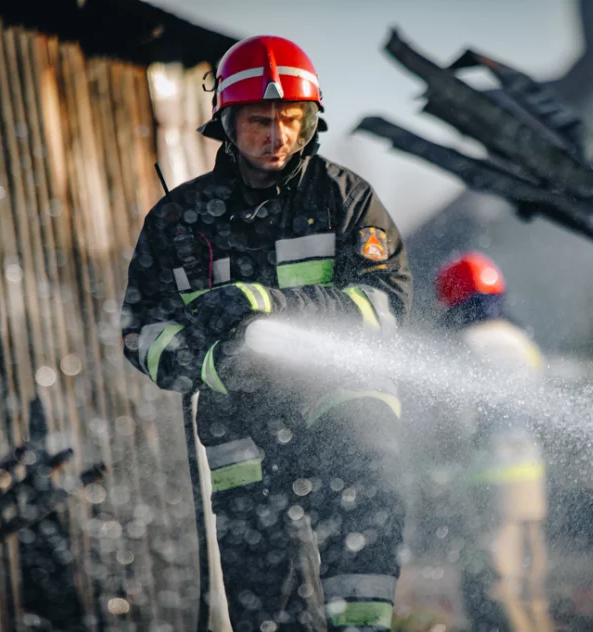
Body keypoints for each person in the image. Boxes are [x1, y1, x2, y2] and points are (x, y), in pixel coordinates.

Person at [121, 35, 412, 632]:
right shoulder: (179, 221)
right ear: (227, 121)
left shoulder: (344, 199)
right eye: (259, 120)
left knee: (366, 509)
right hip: (241, 422)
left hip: (343, 401)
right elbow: (141, 328)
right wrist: (211, 366)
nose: (275, 136)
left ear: (310, 122)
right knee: (264, 601)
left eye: (290, 120)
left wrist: (273, 304)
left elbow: (384, 304)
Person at [429, 252, 553, 632]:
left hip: (484, 477)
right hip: (529, 473)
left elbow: (455, 419)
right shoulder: (519, 340)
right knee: (531, 570)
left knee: (493, 575)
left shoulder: (462, 346)